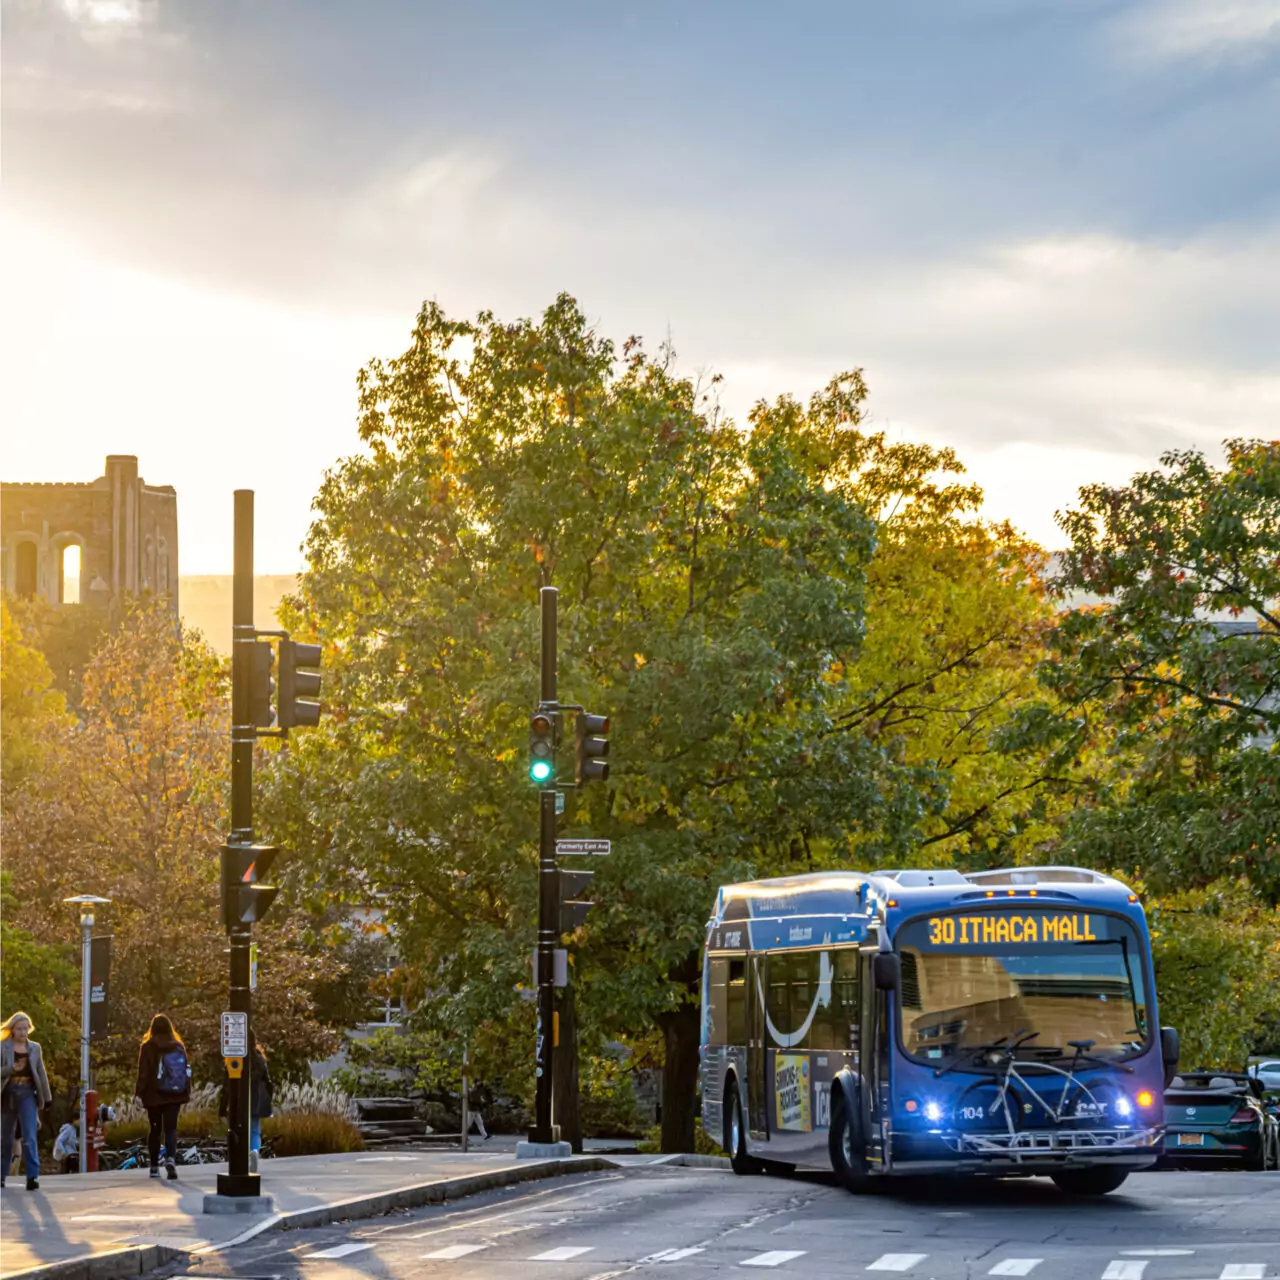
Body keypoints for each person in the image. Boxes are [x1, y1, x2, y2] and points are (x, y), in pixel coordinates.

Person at [134, 1014, 191, 1180]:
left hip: (154, 1095)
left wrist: (139, 1094)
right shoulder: (178, 1046)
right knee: (171, 1129)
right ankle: (171, 1159)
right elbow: (185, 1072)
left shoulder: (148, 1047)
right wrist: (186, 1091)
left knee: (155, 1130)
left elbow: (143, 1073)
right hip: (175, 1095)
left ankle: (153, 1167)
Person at [1, 1011, 54, 1191]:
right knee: (6, 1137)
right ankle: (1, 1175)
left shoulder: (35, 1048)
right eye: (19, 1029)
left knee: (29, 1136)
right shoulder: (3, 1047)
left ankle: (32, 1176)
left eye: (26, 1029)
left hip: (27, 1093)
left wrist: (47, 1098)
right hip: (7, 1093)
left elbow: (41, 1073)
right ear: (12, 1030)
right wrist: (10, 1068)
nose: (23, 1032)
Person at [219, 1027, 273, 1172]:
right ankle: (254, 1151)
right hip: (256, 1102)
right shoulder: (259, 1058)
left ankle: (240, 1160)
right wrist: (268, 1101)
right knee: (254, 1131)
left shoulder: (233, 1058)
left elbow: (226, 1085)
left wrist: (222, 1108)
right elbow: (268, 1082)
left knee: (237, 1131)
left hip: (237, 1102)